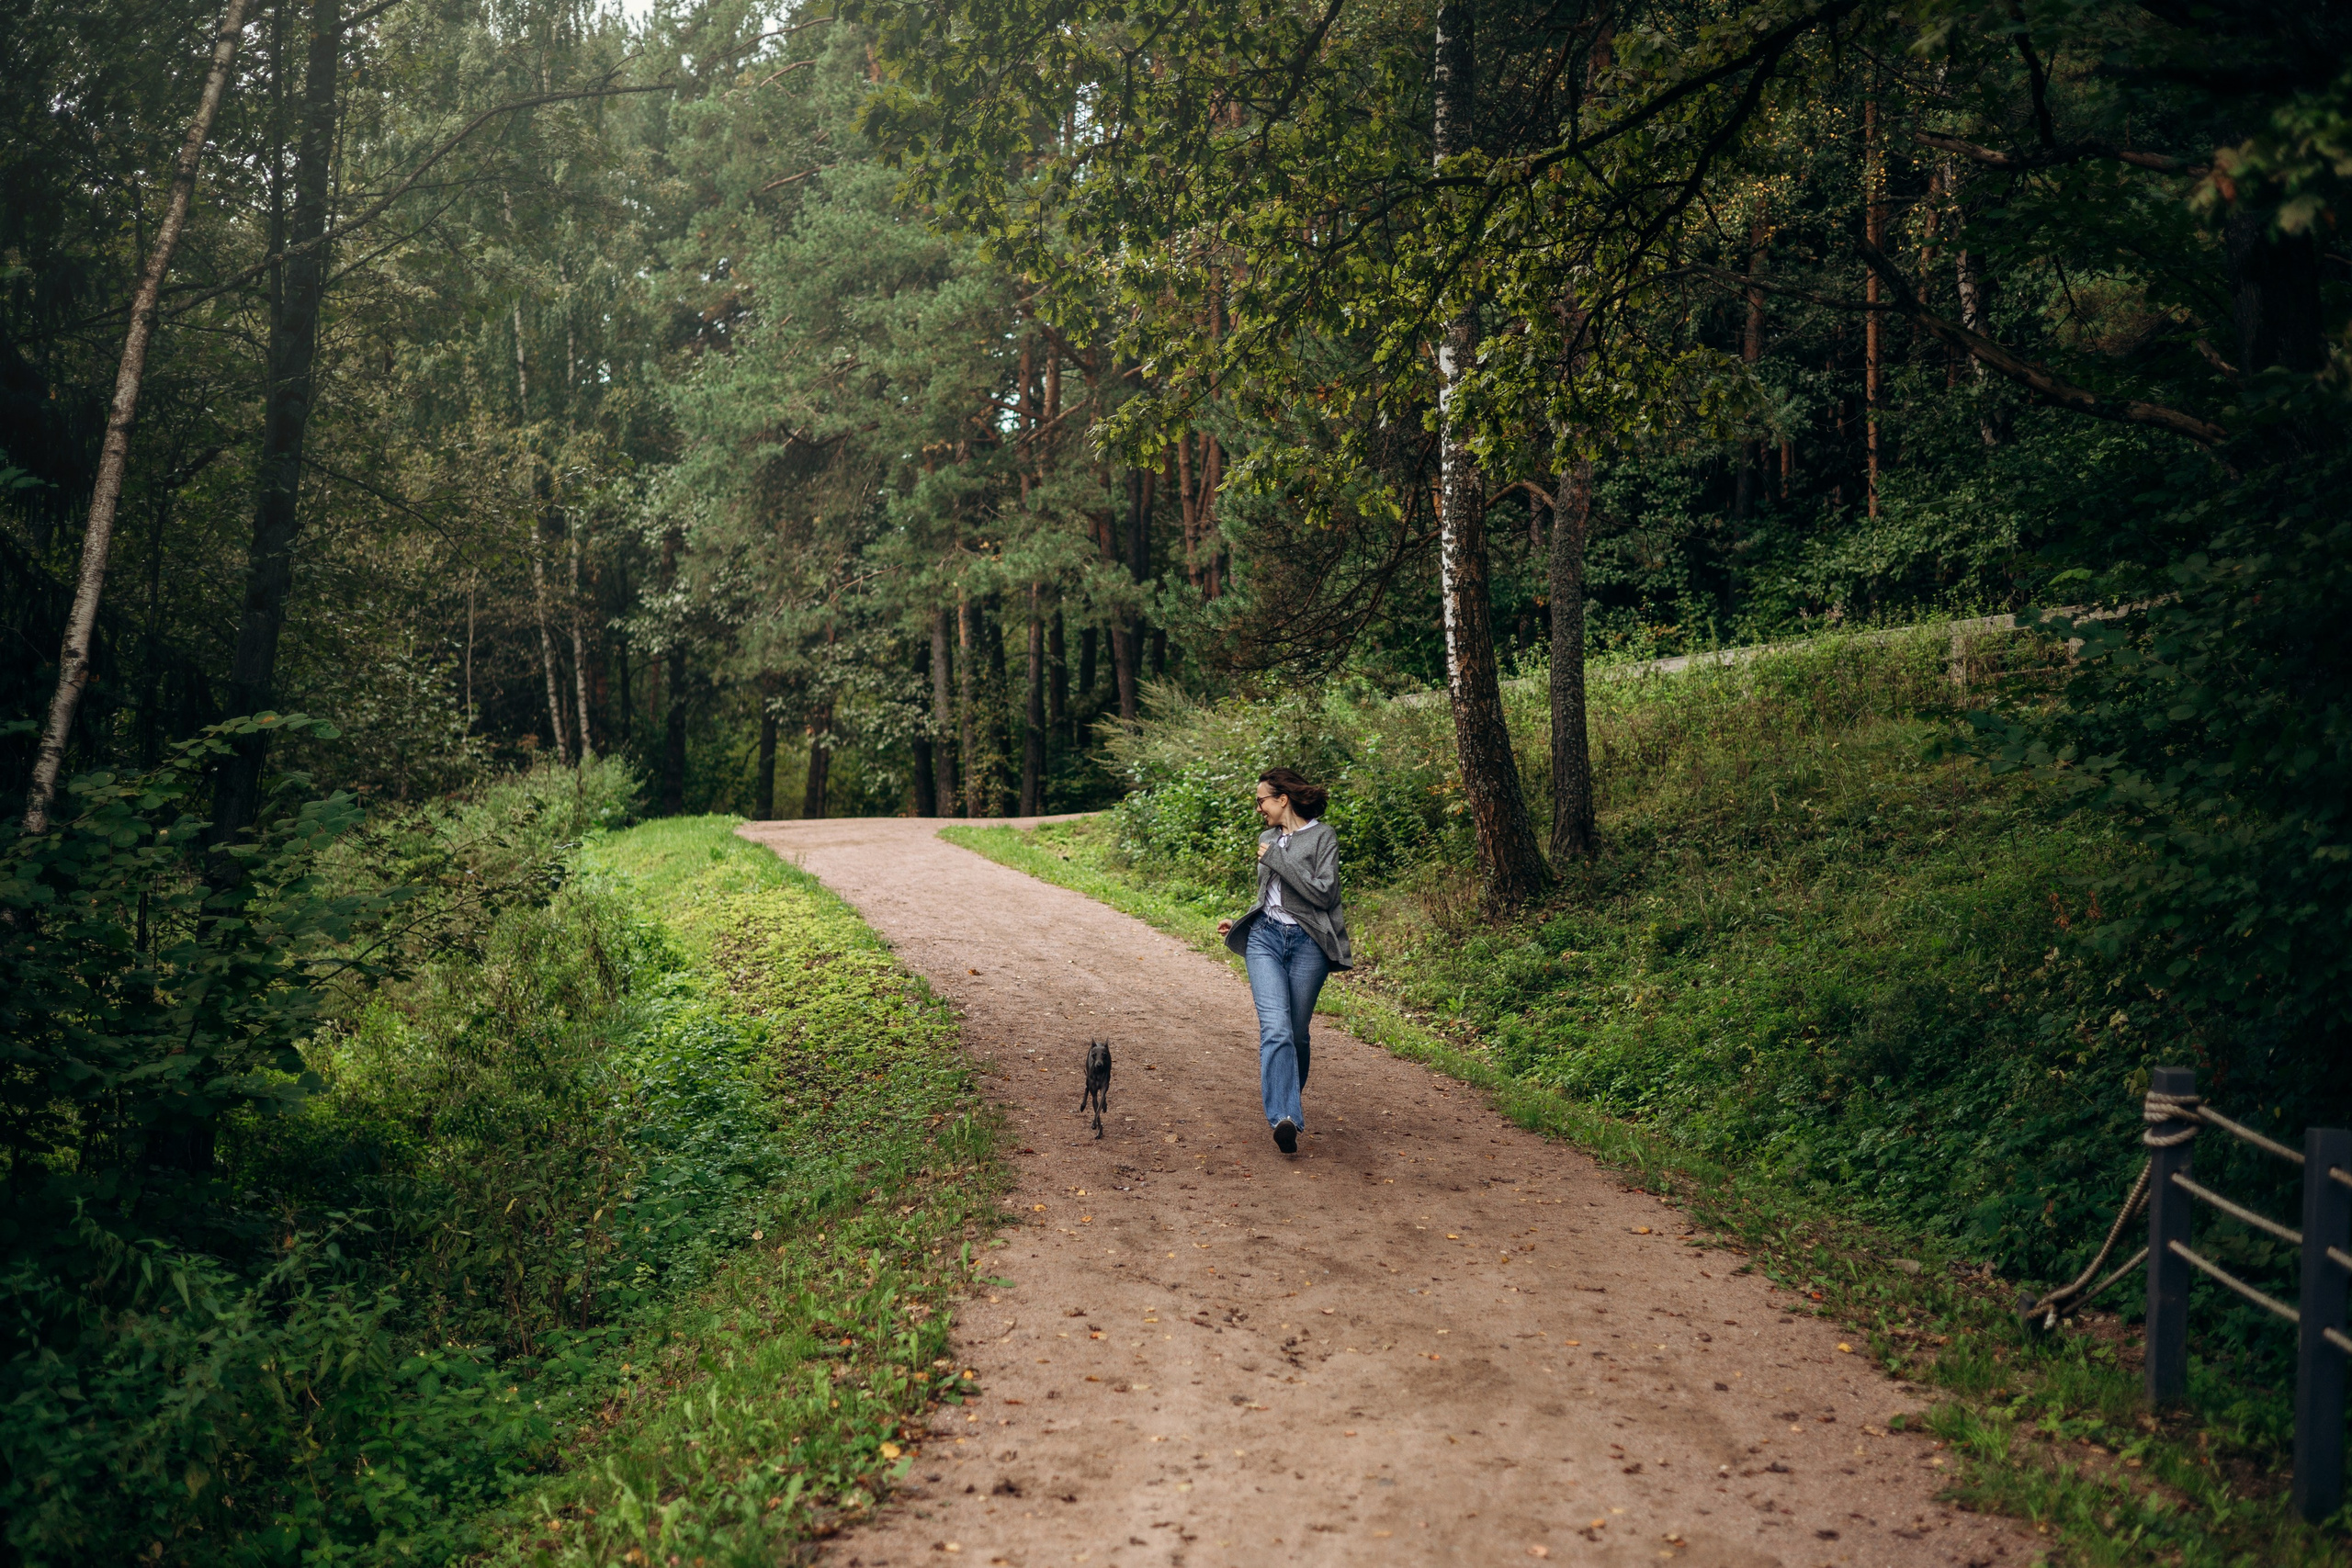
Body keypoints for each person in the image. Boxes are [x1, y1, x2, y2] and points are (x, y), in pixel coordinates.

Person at [1216, 768, 1351, 1154]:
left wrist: (1279, 858)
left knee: (1297, 1034)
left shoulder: (1322, 836)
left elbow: (1324, 895)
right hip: (1265, 938)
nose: (1258, 808)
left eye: (1261, 800)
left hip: (1309, 944)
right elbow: (1269, 895)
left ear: (1282, 799)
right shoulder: (1266, 839)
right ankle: (1284, 1119)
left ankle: (1287, 1105)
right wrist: (1240, 917)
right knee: (1276, 1030)